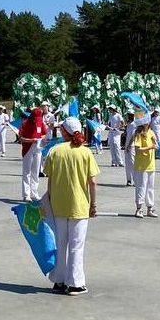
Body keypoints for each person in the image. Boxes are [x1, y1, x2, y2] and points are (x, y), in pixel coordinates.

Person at [43, 117, 98, 296]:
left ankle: (58, 280)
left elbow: (49, 182)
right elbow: (93, 182)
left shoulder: (54, 151)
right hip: (80, 205)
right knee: (76, 245)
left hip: (58, 205)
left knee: (60, 244)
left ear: (64, 131)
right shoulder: (85, 152)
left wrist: (49, 201)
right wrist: (93, 204)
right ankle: (75, 283)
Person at [18, 107, 47, 201]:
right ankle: (26, 194)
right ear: (32, 116)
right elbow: (21, 138)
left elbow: (44, 133)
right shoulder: (25, 123)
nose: (38, 120)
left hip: (37, 148)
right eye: (37, 117)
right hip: (28, 148)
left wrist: (41, 138)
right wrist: (31, 140)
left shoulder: (40, 122)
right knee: (27, 172)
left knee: (35, 172)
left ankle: (34, 193)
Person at [132, 119, 158, 218]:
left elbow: (157, 145)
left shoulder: (151, 132)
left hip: (151, 165)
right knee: (141, 187)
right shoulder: (139, 133)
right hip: (141, 166)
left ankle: (150, 208)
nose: (147, 122)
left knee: (150, 188)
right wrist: (151, 147)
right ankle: (139, 209)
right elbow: (137, 149)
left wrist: (155, 141)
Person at [123, 111, 136, 186]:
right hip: (127, 145)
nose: (127, 117)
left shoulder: (134, 124)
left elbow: (134, 136)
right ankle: (128, 179)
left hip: (132, 146)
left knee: (132, 163)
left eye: (128, 115)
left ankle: (135, 180)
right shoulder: (129, 124)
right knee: (127, 163)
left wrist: (129, 145)